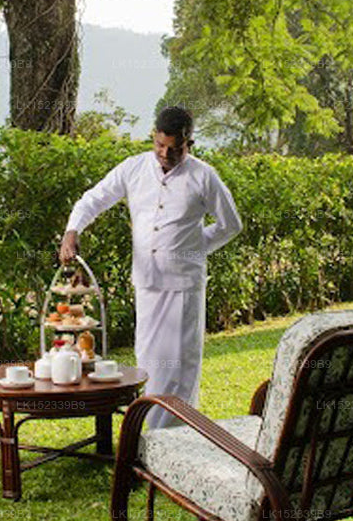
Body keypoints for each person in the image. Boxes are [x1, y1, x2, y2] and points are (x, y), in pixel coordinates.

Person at [60, 106, 242, 429]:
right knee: (148, 361)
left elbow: (231, 224)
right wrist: (72, 230)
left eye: (175, 148)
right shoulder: (134, 168)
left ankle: (174, 438)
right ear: (153, 137)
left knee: (179, 367)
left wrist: (194, 249)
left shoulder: (203, 176)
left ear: (189, 143)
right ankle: (150, 436)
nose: (165, 154)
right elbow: (94, 199)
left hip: (183, 288)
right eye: (160, 145)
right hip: (146, 283)